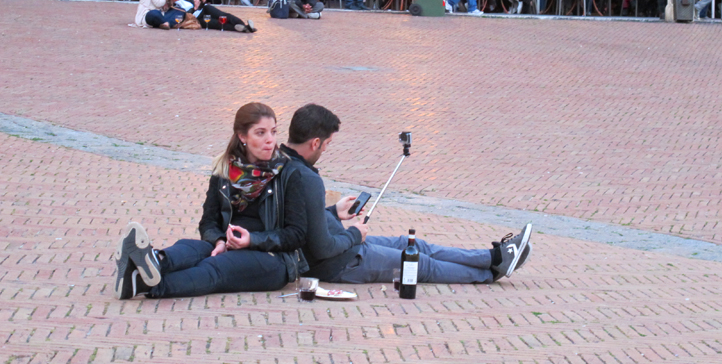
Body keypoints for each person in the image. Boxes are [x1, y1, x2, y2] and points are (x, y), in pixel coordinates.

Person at [281, 104, 533, 286]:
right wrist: (355, 234)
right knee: (419, 264)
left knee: (414, 245)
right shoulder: (306, 178)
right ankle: (489, 274)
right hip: (341, 262)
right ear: (315, 143)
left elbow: (302, 221)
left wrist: (333, 212)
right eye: (326, 145)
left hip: (343, 246)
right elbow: (322, 248)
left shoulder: (283, 164)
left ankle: (494, 256)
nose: (325, 150)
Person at [114, 103, 308, 299]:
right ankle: (155, 260)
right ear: (242, 136)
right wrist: (219, 240)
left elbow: (297, 234)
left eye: (273, 132)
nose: (270, 140)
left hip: (273, 258)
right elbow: (208, 222)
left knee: (214, 266)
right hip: (227, 244)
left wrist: (252, 239)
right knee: (189, 248)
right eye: (261, 133)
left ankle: (142, 283)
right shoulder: (225, 170)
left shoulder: (288, 173)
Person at [178, 0, 256, 32]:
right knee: (218, 24)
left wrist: (202, 1)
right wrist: (193, 9)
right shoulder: (174, 5)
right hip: (196, 18)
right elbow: (182, 15)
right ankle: (244, 28)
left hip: (203, 9)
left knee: (222, 15)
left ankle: (243, 24)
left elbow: (196, 1)